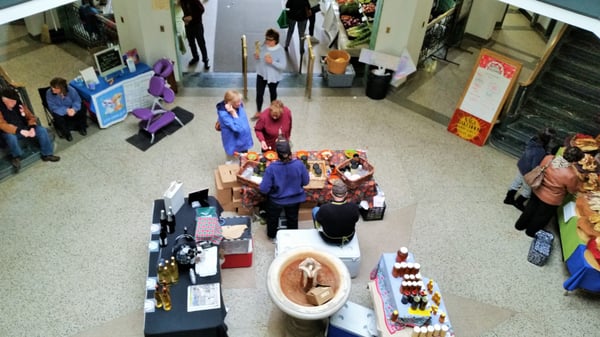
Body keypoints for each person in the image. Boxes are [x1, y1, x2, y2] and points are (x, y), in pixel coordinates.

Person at [514, 146, 584, 237]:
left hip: (537, 189)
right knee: (541, 216)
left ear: (564, 152)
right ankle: (530, 232)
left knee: (530, 208)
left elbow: (541, 168)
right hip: (551, 200)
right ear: (575, 161)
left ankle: (519, 225)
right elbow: (572, 190)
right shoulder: (571, 175)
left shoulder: (549, 158)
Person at [0, 88, 60, 172]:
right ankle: (16, 156)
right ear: (4, 100)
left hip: (25, 127)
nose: (14, 103)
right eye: (11, 101)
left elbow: (31, 117)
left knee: (42, 130)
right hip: (12, 131)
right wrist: (19, 131)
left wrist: (32, 127)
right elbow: (2, 124)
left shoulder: (18, 104)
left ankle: (47, 154)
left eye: (15, 101)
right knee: (10, 137)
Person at [259, 140, 309, 239]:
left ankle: (272, 235)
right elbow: (306, 182)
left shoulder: (271, 168)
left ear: (276, 154)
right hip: (295, 199)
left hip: (276, 200)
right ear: (290, 152)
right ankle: (292, 237)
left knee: (273, 218)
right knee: (292, 218)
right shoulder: (299, 164)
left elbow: (264, 189)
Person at [504, 127, 556, 211]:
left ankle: (508, 198)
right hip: (528, 172)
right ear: (547, 140)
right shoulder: (540, 151)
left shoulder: (533, 140)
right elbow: (535, 166)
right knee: (527, 190)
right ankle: (519, 202)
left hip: (522, 165)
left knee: (516, 183)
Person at [251, 28, 286, 121]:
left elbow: (283, 66)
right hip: (261, 74)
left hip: (274, 77)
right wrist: (256, 57)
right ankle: (258, 111)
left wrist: (272, 62)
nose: (267, 41)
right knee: (259, 93)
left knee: (273, 93)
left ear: (275, 41)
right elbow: (259, 57)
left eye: (270, 40)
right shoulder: (263, 46)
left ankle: (273, 111)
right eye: (266, 39)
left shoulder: (280, 50)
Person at [312, 180, 360, 245]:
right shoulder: (354, 207)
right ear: (346, 193)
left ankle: (317, 230)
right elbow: (356, 219)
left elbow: (319, 219)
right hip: (348, 238)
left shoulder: (324, 208)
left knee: (315, 209)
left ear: (331, 192)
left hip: (328, 239)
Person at [215, 90, 253, 163]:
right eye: (237, 102)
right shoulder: (225, 114)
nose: (240, 103)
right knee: (233, 163)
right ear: (229, 103)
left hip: (243, 139)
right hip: (234, 143)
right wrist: (233, 113)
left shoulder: (238, 105)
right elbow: (237, 128)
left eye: (240, 101)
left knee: (244, 161)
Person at [46, 77, 88, 142]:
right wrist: (66, 110)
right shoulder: (49, 93)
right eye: (52, 87)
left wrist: (74, 109)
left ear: (61, 88)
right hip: (60, 110)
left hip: (72, 108)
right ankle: (67, 134)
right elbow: (52, 106)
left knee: (82, 107)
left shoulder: (71, 90)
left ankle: (82, 127)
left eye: (55, 88)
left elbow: (77, 100)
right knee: (56, 115)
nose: (52, 89)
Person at [180, 0, 210, 69]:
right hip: (188, 26)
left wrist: (192, 17)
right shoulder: (182, 1)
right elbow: (185, 12)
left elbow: (202, 9)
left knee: (201, 43)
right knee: (191, 43)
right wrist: (184, 19)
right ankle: (195, 57)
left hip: (197, 25)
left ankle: (205, 60)